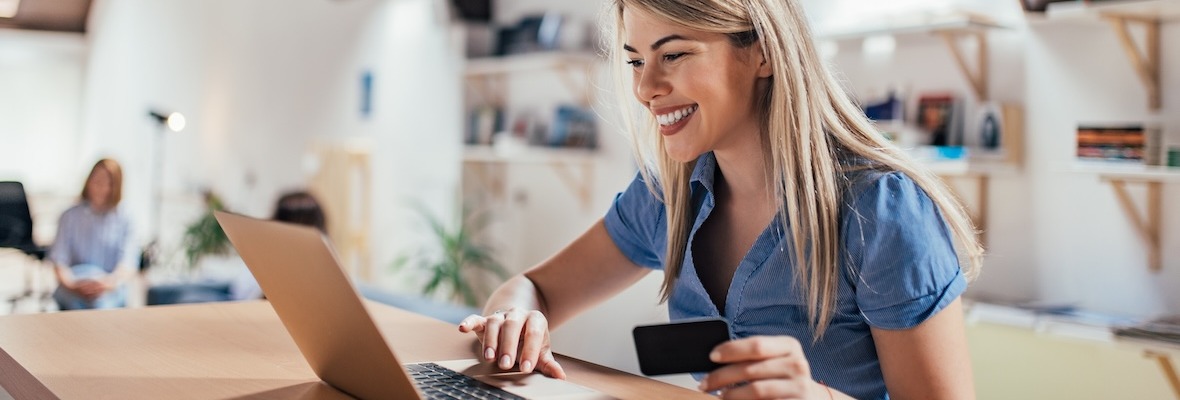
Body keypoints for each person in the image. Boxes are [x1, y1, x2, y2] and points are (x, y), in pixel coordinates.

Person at [458, 1, 983, 399]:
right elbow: (532, 288)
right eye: (637, 61)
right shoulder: (666, 197)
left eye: (674, 54)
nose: (646, 88)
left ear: (762, 53)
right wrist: (515, 318)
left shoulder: (882, 211)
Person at [50, 158, 140, 310]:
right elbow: (59, 261)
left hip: (110, 286)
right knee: (76, 308)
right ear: (88, 181)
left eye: (108, 183)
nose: (101, 187)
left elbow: (128, 263)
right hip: (74, 283)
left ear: (116, 187)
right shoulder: (69, 216)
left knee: (101, 306)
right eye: (97, 180)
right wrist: (73, 285)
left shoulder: (126, 218)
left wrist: (108, 283)